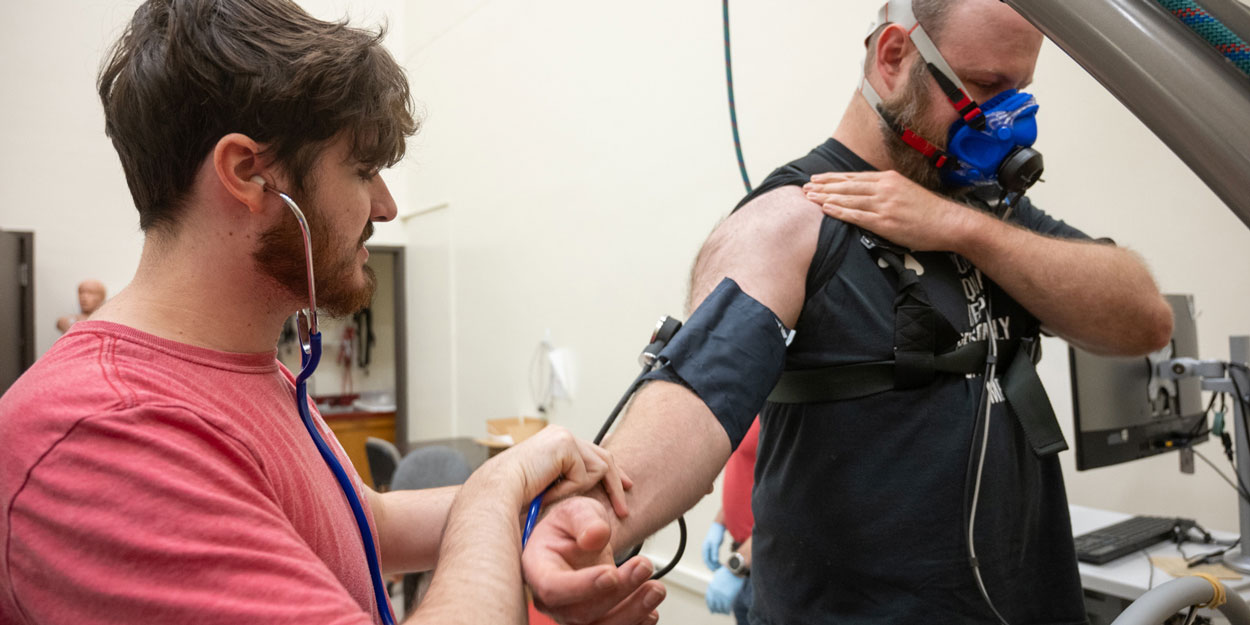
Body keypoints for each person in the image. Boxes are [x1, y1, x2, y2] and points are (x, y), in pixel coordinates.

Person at [0, 2, 659, 624]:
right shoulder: (104, 437)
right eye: (364, 169)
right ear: (249, 174)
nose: (386, 207)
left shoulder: (256, 371)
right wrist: (497, 487)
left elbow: (362, 522)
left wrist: (529, 506)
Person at [521, 1, 1174, 623]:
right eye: (981, 85)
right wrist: (591, 522)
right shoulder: (795, 216)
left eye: (1017, 90)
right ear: (894, 57)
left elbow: (1145, 318)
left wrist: (962, 227)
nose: (1003, 120)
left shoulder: (988, 210)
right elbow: (696, 395)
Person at [701, 418, 758, 623]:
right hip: (746, 562)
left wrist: (738, 565)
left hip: (768, 566)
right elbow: (749, 474)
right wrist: (720, 521)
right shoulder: (752, 408)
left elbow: (791, 503)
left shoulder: (785, 409)